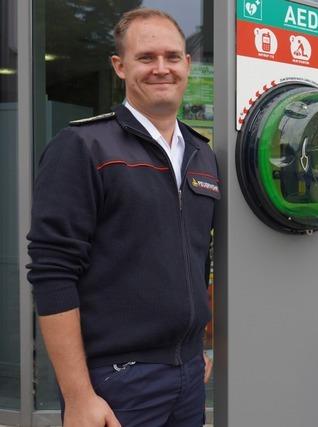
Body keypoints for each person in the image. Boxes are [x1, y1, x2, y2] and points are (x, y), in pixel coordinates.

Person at [27, 8, 219, 427]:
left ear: (188, 64)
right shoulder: (84, 146)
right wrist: (78, 395)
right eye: (146, 57)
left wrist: (197, 347)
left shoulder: (202, 154)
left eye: (172, 57)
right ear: (120, 66)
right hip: (117, 381)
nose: (161, 68)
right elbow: (53, 272)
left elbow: (198, 257)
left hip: (189, 375)